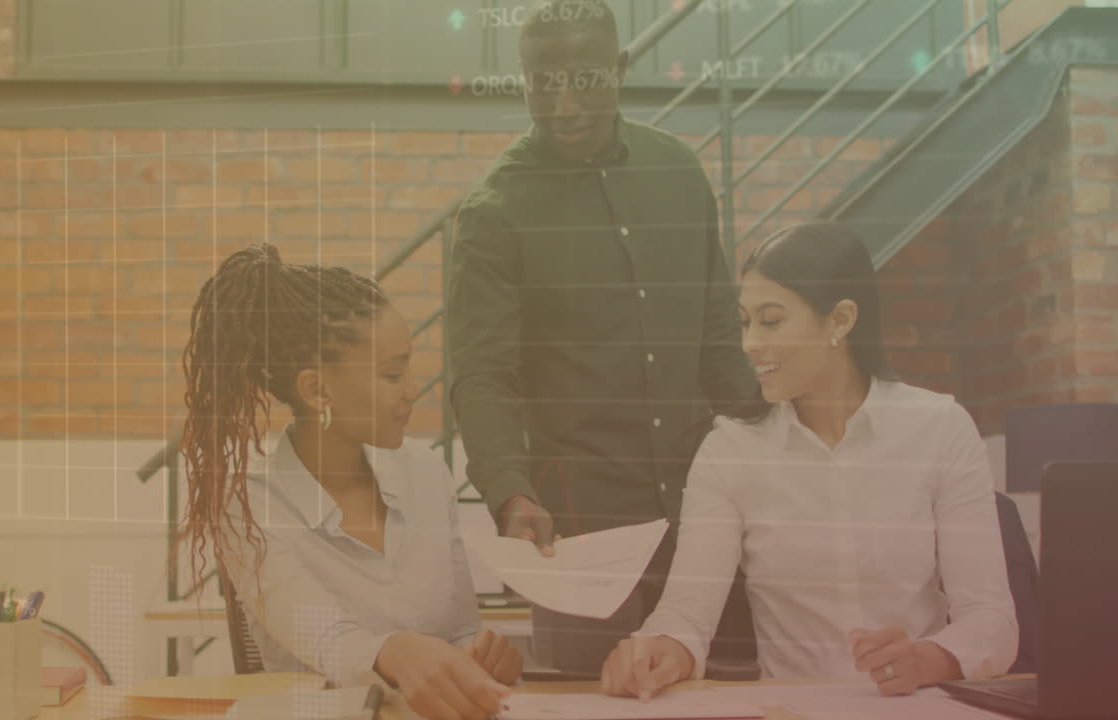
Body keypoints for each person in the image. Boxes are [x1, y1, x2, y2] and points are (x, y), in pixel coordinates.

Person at [446, 0, 762, 675]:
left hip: (705, 514)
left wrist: (777, 454)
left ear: (620, 69)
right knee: (585, 703)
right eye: (541, 82)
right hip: (579, 533)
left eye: (584, 79)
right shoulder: (494, 212)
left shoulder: (678, 174)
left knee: (726, 696)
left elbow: (717, 339)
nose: (562, 105)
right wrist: (510, 490)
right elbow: (483, 376)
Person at [600, 222, 1019, 698]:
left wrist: (926, 659)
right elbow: (687, 615)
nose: (749, 343)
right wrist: (658, 652)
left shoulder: (940, 428)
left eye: (771, 320)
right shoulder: (730, 451)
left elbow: (992, 621)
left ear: (840, 320)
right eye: (745, 321)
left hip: (913, 707)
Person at [179, 243, 521, 720]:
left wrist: (481, 657)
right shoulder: (247, 507)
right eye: (391, 373)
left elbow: (458, 631)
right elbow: (329, 641)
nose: (411, 388)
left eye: (407, 367)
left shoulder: (427, 475)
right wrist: (398, 652)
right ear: (318, 390)